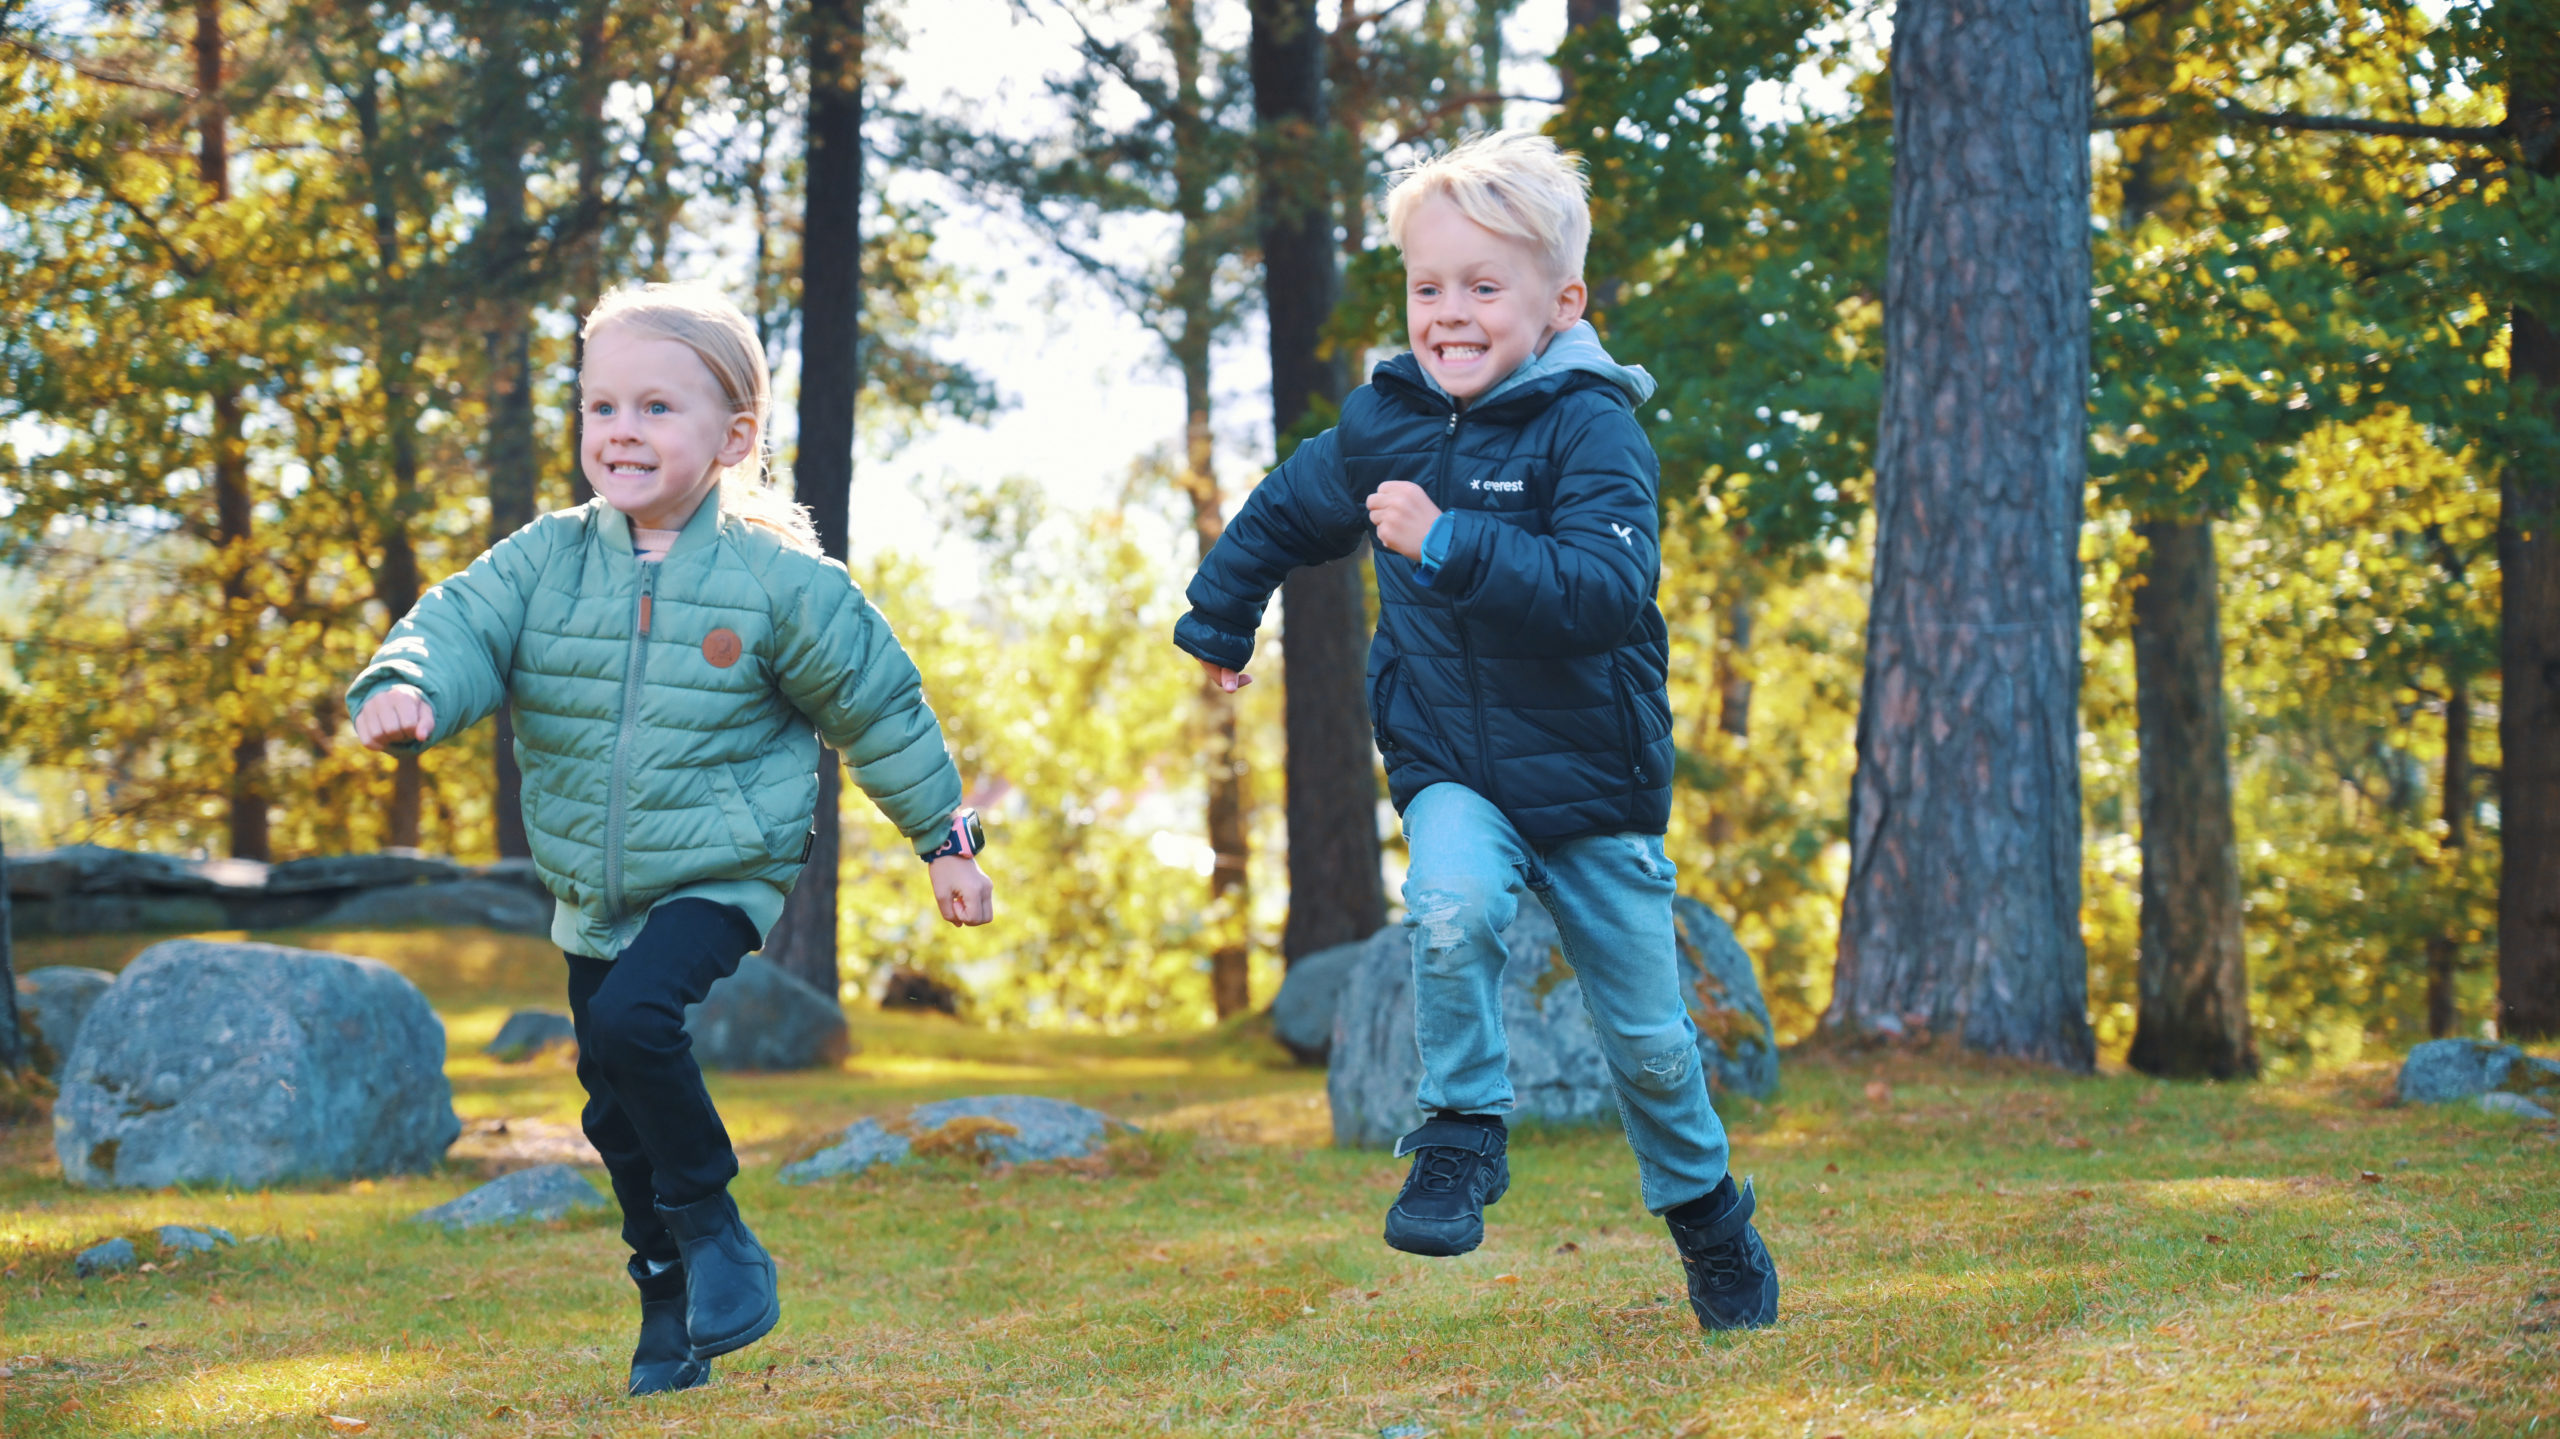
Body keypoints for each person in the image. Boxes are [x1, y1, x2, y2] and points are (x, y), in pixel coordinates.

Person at [1174, 131, 1778, 1331]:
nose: (1448, 313)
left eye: (1483, 287)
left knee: (1651, 1045)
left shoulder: (1591, 429)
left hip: (1592, 781)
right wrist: (1221, 617)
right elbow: (1285, 510)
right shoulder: (1388, 422)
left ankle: (1709, 1217)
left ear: (1561, 305)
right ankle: (1458, 1132)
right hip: (1454, 762)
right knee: (1447, 907)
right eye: (1427, 287)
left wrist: (1445, 540)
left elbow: (1605, 591)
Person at [347, 284, 995, 1394]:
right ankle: (666, 1296)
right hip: (589, 886)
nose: (622, 431)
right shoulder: (547, 560)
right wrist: (406, 685)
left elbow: (878, 707)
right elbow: (457, 628)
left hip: (719, 868)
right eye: (602, 406)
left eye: (656, 407)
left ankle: (714, 1225)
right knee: (610, 1100)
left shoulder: (779, 582)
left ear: (732, 438)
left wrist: (946, 840)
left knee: (635, 1021)